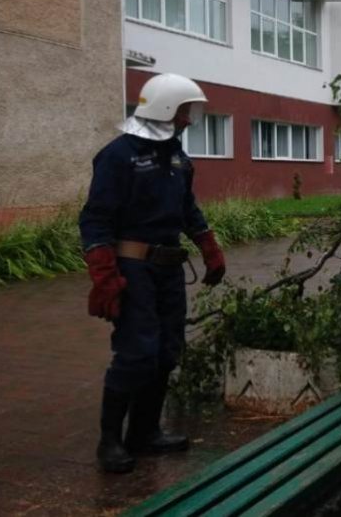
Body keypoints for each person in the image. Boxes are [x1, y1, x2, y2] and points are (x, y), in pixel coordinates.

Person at [79, 73, 227, 474]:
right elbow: (95, 219)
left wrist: (209, 248)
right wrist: (104, 275)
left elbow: (187, 210)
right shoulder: (118, 155)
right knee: (136, 353)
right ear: (164, 108)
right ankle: (109, 441)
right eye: (185, 111)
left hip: (168, 270)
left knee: (166, 352)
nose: (189, 120)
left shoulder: (178, 158)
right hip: (133, 269)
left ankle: (143, 434)